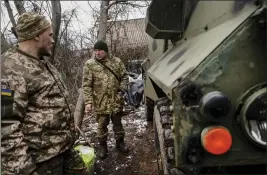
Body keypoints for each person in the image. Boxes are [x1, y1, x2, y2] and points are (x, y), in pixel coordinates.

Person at [1, 12, 88, 175]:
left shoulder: (41, 62)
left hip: (65, 148)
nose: (53, 40)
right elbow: (6, 126)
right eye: (50, 35)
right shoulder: (9, 69)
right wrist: (24, 170)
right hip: (42, 161)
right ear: (36, 35)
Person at [82, 40, 129, 159]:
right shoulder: (90, 64)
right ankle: (103, 147)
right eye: (95, 50)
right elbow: (86, 85)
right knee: (101, 125)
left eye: (100, 50)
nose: (97, 53)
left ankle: (120, 143)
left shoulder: (116, 62)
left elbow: (124, 77)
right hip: (100, 102)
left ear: (106, 51)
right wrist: (88, 102)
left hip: (116, 100)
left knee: (118, 124)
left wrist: (121, 90)